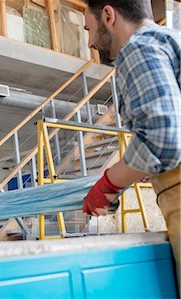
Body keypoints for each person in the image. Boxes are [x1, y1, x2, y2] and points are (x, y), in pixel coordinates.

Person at [82, 0, 181, 292]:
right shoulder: (171, 40)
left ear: (109, 15)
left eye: (89, 28)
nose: (90, 41)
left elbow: (163, 139)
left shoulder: (138, 47)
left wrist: (107, 186)